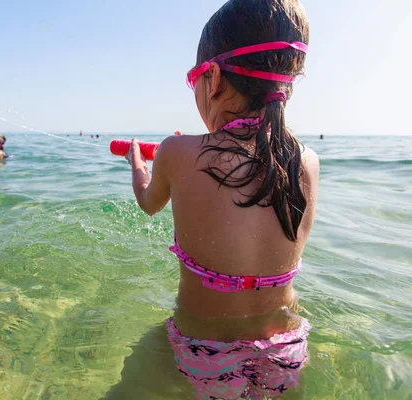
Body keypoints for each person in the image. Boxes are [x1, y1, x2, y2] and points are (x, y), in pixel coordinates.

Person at [109, 0, 319, 398]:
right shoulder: (308, 161)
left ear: (215, 78)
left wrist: (140, 167)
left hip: (204, 348)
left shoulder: (176, 151)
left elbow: (148, 203)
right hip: (286, 344)